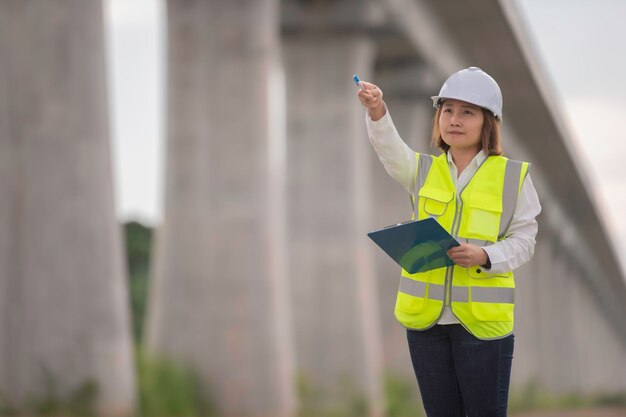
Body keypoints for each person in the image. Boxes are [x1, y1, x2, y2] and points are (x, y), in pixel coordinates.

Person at [357, 67, 541, 417]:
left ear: (488, 122)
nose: (454, 120)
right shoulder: (422, 170)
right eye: (448, 110)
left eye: (467, 112)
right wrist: (378, 111)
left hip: (482, 326)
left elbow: (525, 240)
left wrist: (486, 255)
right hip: (427, 326)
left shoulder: (513, 176)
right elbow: (389, 150)